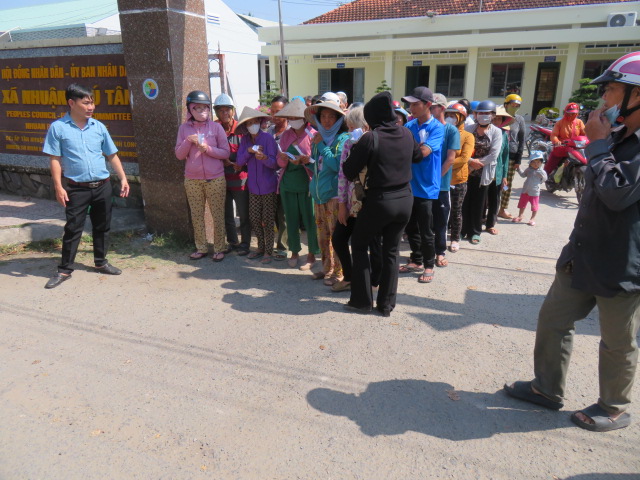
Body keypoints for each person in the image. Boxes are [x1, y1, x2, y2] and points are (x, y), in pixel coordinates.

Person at [504, 51, 640, 432]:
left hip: (622, 263)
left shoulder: (614, 142)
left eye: (611, 91)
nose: (603, 100)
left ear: (637, 95)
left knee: (617, 341)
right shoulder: (615, 136)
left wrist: (596, 145)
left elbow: (616, 193)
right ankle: (546, 388)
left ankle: (613, 407)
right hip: (583, 252)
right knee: (554, 319)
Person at [343, 91, 423, 316]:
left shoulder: (370, 138)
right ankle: (386, 305)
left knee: (359, 245)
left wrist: (357, 148)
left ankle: (362, 301)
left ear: (372, 117)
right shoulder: (406, 133)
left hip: (380, 201)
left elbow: (349, 171)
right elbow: (417, 157)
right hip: (405, 199)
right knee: (391, 251)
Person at [43, 83, 130, 289]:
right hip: (77, 188)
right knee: (73, 228)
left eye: (92, 103)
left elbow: (112, 154)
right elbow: (54, 159)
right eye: (86, 103)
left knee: (102, 226)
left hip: (102, 185)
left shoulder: (98, 127)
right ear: (71, 103)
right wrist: (58, 187)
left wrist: (123, 178)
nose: (91, 107)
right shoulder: (58, 128)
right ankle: (65, 269)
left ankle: (101, 262)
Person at [332, 105, 382, 293]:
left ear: (366, 126)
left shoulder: (377, 143)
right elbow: (342, 175)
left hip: (370, 201)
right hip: (351, 201)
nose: (350, 131)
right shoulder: (348, 144)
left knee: (373, 243)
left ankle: (375, 281)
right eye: (349, 127)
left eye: (354, 127)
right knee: (339, 238)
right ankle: (349, 277)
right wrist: (342, 204)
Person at [175, 91, 230, 262]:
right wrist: (188, 141)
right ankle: (201, 248)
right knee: (197, 215)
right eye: (197, 108)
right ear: (190, 110)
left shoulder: (216, 127)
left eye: (205, 107)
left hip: (215, 179)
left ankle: (219, 248)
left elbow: (225, 152)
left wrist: (208, 149)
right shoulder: (184, 129)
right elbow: (179, 155)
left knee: (218, 215)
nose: (202, 111)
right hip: (192, 180)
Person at [399, 86, 445, 283]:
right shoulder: (409, 126)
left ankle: (428, 265)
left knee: (426, 229)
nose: (411, 108)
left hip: (427, 187)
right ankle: (416, 260)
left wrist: (409, 149)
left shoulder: (437, 128)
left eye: (415, 104)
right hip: (408, 185)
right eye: (410, 105)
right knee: (410, 228)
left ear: (428, 104)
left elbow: (423, 153)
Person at [304, 98, 350, 286]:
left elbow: (337, 166)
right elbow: (318, 165)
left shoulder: (343, 139)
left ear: (339, 119)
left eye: (331, 116)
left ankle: (339, 272)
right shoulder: (318, 139)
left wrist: (322, 146)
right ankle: (326, 268)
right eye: (323, 116)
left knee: (336, 237)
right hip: (319, 194)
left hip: (334, 196)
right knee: (323, 237)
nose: (327, 120)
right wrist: (306, 162)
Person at [274, 98, 320, 270]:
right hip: (288, 183)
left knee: (310, 220)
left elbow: (318, 162)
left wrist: (305, 161)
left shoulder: (313, 134)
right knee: (291, 219)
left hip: (307, 183)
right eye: (290, 117)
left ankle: (312, 254)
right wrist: (284, 159)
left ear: (304, 117)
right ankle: (294, 251)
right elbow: (279, 162)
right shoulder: (286, 135)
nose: (293, 120)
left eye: (296, 117)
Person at [236, 107, 279, 263]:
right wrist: (249, 151)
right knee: (254, 218)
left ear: (260, 122)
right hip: (253, 188)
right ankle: (260, 247)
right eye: (249, 123)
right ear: (246, 126)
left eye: (255, 122)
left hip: (268, 187)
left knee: (268, 220)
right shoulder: (245, 140)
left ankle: (268, 250)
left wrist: (264, 158)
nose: (252, 125)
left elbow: (275, 164)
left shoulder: (267, 138)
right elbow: (239, 162)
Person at [213, 93, 251, 256]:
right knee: (226, 213)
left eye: (227, 110)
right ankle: (232, 242)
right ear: (216, 113)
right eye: (220, 111)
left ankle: (245, 243)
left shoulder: (241, 129)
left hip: (240, 179)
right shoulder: (214, 129)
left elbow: (248, 152)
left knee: (244, 214)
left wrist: (239, 163)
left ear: (233, 111)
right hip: (221, 179)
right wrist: (222, 160)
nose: (224, 113)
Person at [461, 100, 502, 245]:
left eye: (487, 113)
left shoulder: (496, 132)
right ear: (475, 114)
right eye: (480, 113)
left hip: (483, 173)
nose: (483, 115)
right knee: (464, 202)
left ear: (493, 115)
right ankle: (462, 230)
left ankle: (475, 231)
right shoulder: (468, 128)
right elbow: (461, 148)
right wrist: (470, 161)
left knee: (479, 204)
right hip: (466, 171)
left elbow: (494, 154)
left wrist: (476, 164)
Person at [430, 93, 460, 268]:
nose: (429, 110)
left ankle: (440, 251)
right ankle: (422, 254)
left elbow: (450, 159)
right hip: (423, 185)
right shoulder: (425, 127)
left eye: (432, 107)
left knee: (441, 221)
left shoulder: (450, 130)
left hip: (440, 185)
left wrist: (435, 178)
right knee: (424, 222)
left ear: (441, 108)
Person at [446, 103, 474, 253]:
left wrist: (443, 166)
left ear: (461, 118)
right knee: (442, 210)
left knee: (456, 211)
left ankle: (455, 238)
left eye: (453, 116)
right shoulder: (443, 132)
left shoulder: (468, 136)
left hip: (458, 180)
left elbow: (464, 158)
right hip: (442, 179)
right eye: (448, 115)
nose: (449, 118)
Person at [484, 105, 513, 235]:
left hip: (498, 173)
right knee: (481, 199)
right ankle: (479, 219)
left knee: (495, 200)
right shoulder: (483, 132)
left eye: (499, 119)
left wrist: (505, 175)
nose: (496, 121)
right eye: (494, 118)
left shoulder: (504, 135)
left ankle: (490, 224)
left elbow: (505, 156)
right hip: (483, 172)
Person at [268, 95, 290, 260]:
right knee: (273, 214)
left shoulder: (291, 132)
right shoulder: (268, 131)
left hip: (285, 178)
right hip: (269, 179)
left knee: (284, 215)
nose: (275, 115)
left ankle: (283, 246)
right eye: (272, 111)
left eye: (278, 111)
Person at [498, 93, 526, 219]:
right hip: (497, 155)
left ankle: (502, 209)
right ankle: (488, 209)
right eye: (512, 105)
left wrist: (518, 159)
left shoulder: (519, 120)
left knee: (506, 185)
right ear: (506, 104)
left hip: (511, 156)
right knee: (494, 183)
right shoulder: (499, 117)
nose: (514, 107)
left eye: (517, 106)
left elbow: (521, 139)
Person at [544, 102, 587, 175]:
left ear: (577, 113)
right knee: (549, 167)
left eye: (573, 113)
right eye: (569, 113)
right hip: (562, 147)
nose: (571, 115)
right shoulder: (560, 123)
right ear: (566, 112)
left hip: (576, 148)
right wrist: (556, 141)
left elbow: (585, 133)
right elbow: (554, 135)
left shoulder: (579, 122)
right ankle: (544, 176)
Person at [511, 151, 547, 226]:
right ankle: (520, 215)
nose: (536, 164)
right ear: (530, 163)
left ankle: (532, 218)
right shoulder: (529, 169)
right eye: (534, 162)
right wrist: (518, 169)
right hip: (525, 191)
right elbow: (523, 175)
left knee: (534, 206)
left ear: (541, 163)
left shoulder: (541, 172)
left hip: (534, 192)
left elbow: (545, 178)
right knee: (522, 204)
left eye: (538, 162)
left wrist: (539, 183)